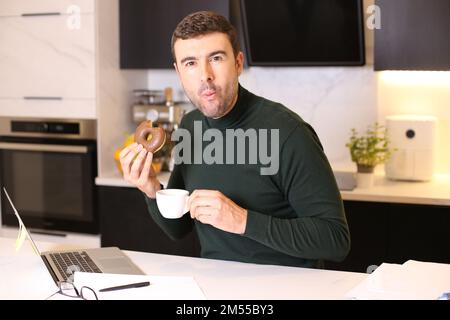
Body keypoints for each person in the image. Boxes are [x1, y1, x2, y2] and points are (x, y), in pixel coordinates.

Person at [120, 11, 350, 268]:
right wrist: (151, 189)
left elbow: (335, 239)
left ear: (238, 63)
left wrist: (241, 220)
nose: (205, 75)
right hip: (216, 284)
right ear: (178, 71)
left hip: (285, 287)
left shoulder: (288, 132)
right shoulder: (190, 127)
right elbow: (179, 228)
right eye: (190, 63)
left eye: (216, 58)